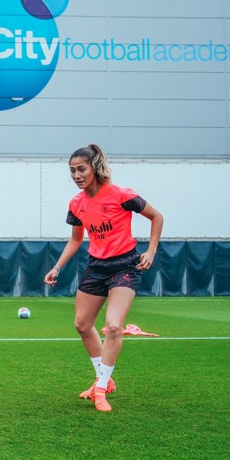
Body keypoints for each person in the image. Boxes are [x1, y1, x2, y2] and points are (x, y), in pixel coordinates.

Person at [44, 144, 163, 413]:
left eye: (81, 169)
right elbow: (76, 240)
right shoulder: (76, 204)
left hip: (125, 266)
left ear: (95, 168)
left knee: (112, 326)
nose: (76, 175)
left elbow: (157, 217)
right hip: (96, 267)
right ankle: (104, 380)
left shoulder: (122, 195)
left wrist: (151, 250)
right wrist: (57, 268)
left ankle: (100, 387)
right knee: (82, 325)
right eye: (72, 170)